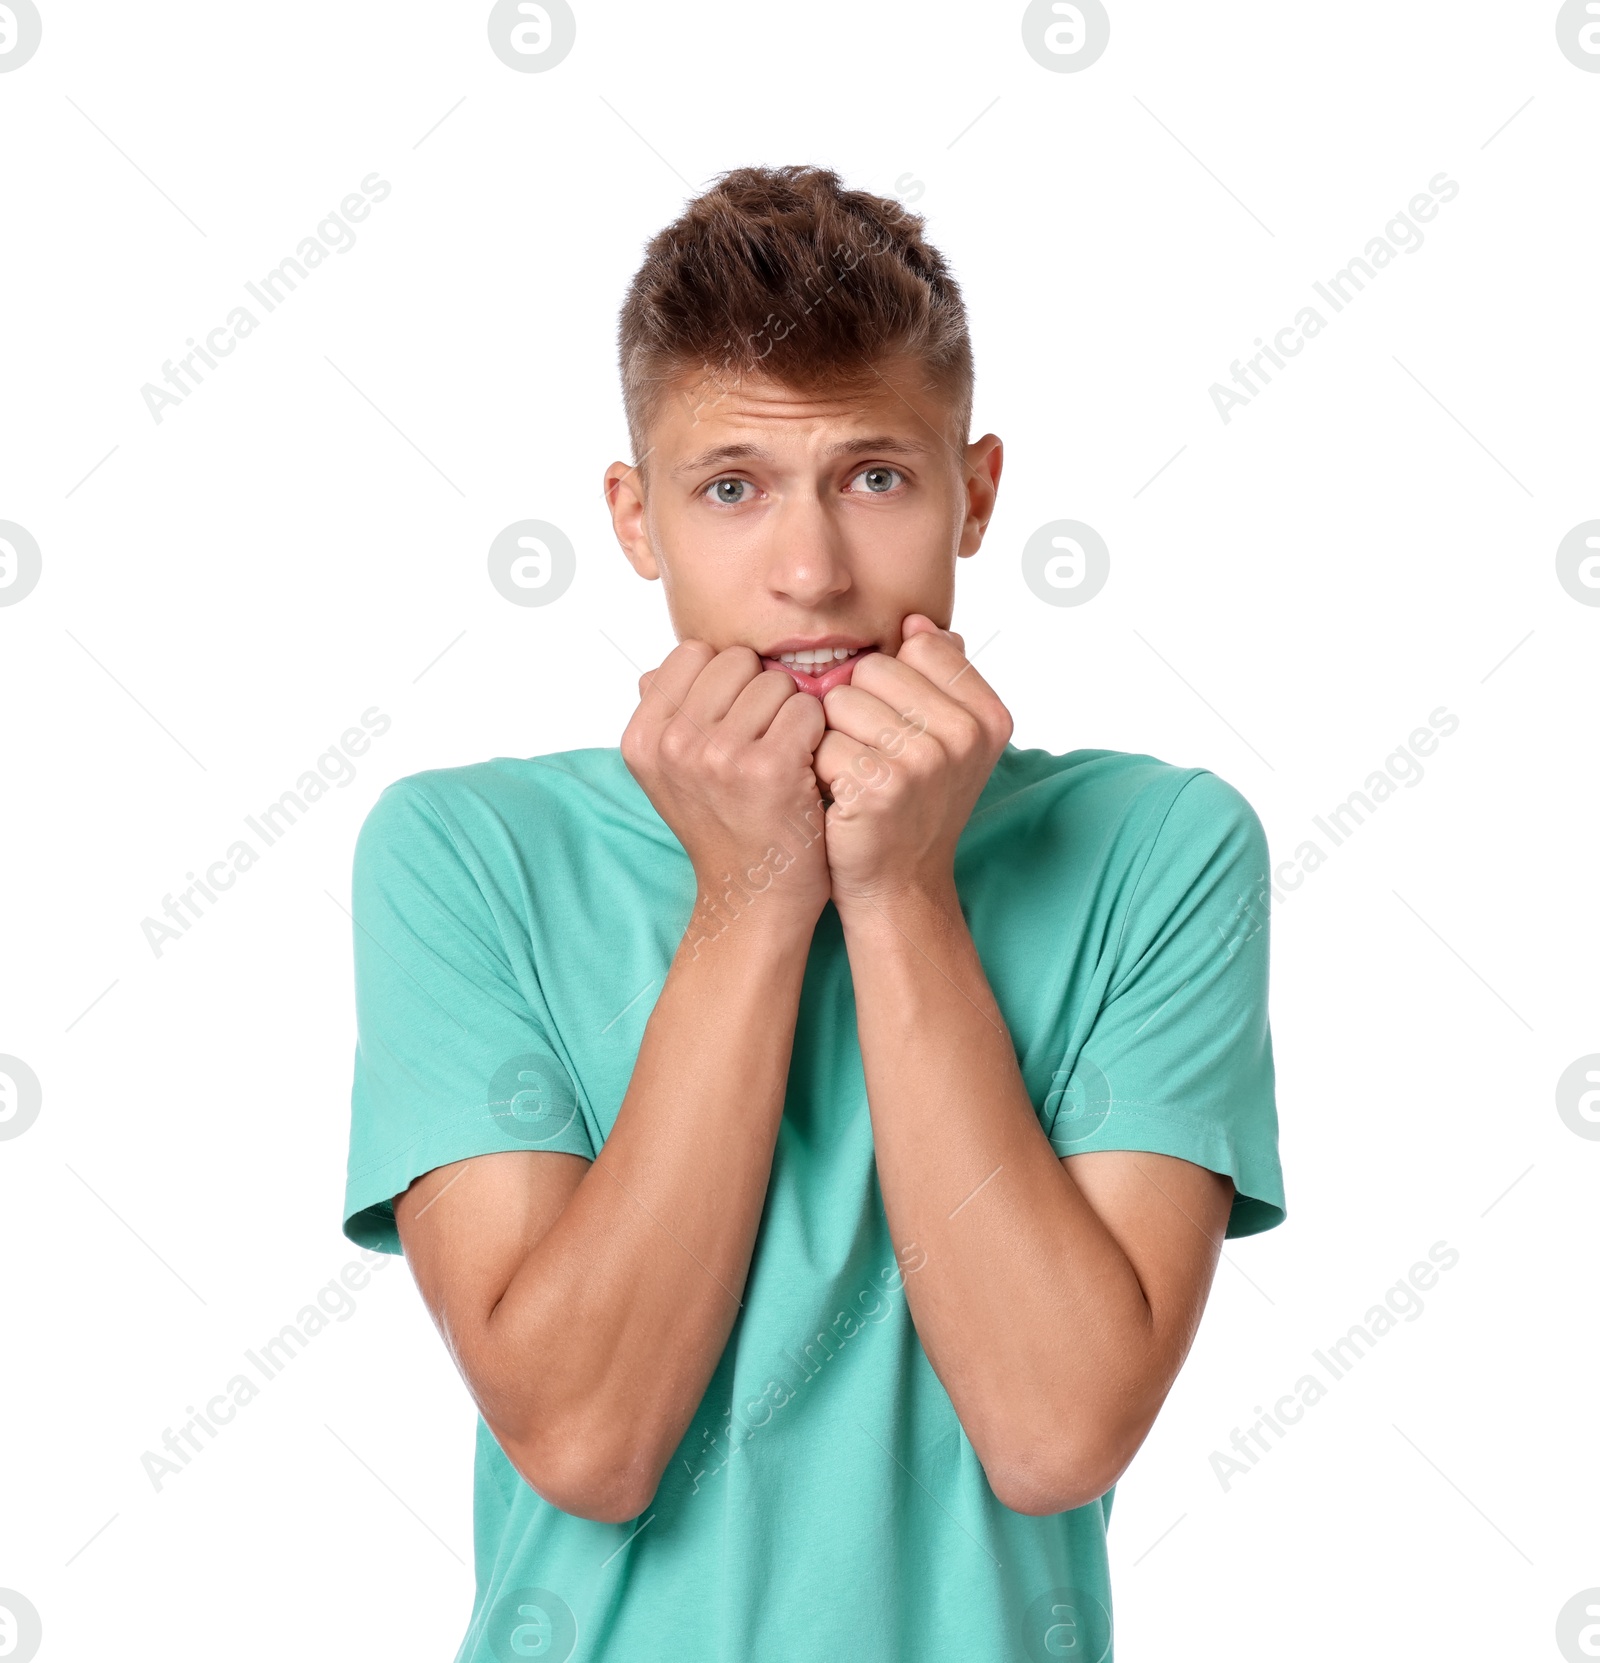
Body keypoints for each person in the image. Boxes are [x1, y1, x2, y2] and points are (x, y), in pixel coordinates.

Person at [341, 163, 1285, 1663]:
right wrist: (755, 896)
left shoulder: (1156, 849)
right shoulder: (466, 852)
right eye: (732, 489)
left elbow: (1054, 1436)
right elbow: (588, 1440)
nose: (810, 574)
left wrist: (901, 888)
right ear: (634, 518)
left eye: (876, 478)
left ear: (974, 494)